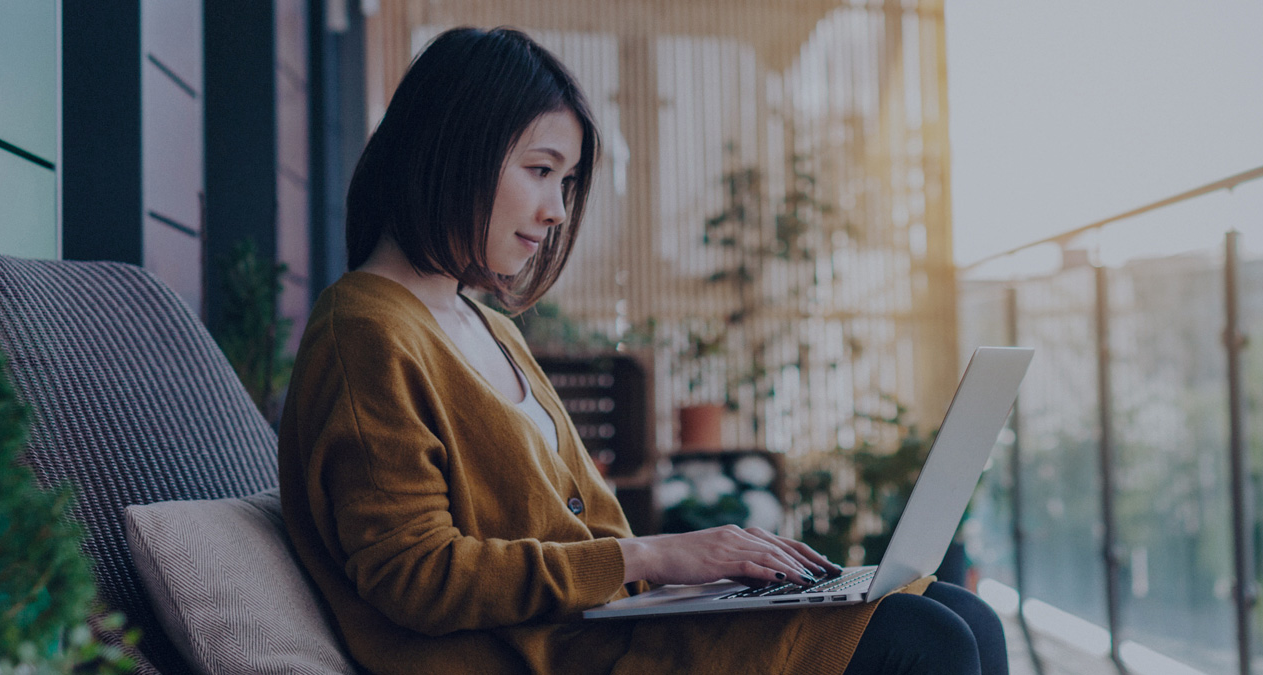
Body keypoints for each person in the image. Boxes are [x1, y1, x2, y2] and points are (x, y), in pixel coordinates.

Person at [276, 26, 1006, 675]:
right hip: (550, 653)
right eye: (539, 170)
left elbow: (578, 532)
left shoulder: (483, 322)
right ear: (454, 150)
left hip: (608, 629)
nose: (557, 210)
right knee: (925, 637)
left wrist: (705, 577)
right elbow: (414, 573)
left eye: (565, 182)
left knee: (964, 613)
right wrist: (655, 556)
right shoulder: (366, 332)